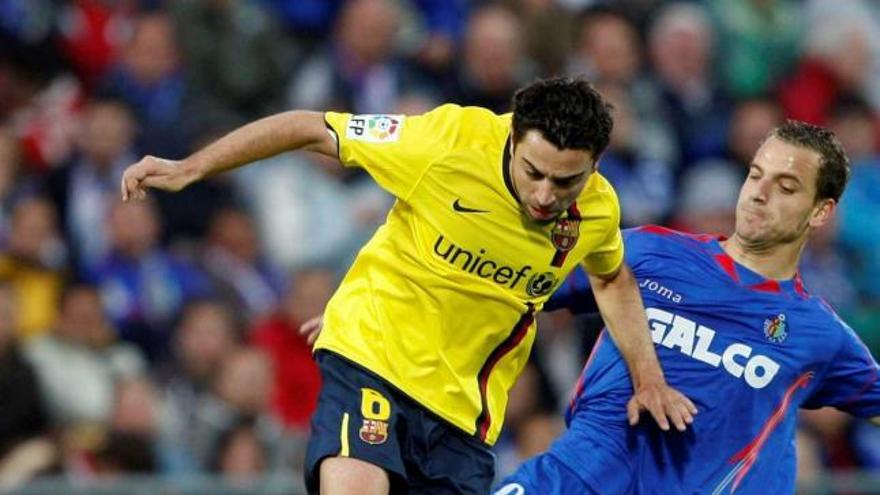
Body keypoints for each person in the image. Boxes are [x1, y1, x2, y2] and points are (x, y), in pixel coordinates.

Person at [120, 76, 695, 495]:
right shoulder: (446, 142)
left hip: (463, 413)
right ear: (512, 140)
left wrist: (648, 378)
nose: (546, 194)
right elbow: (308, 127)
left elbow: (612, 277)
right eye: (533, 172)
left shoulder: (596, 212)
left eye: (565, 180)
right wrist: (188, 167)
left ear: (594, 166)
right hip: (371, 358)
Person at [493, 120, 880, 495]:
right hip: (572, 478)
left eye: (787, 187)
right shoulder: (646, 252)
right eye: (755, 174)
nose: (758, 193)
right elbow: (512, 282)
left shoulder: (818, 332)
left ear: (821, 211)